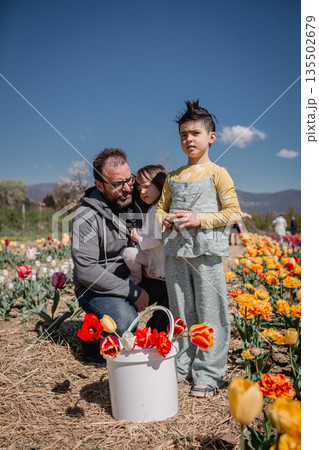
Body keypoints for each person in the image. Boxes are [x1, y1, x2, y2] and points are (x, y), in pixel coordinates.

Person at [156, 100, 241, 397]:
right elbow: (160, 208)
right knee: (181, 311)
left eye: (195, 133)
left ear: (211, 137)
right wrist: (162, 219)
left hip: (207, 255)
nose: (188, 139)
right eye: (183, 135)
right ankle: (181, 365)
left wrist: (199, 218)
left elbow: (233, 212)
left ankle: (208, 372)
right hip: (175, 254)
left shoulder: (219, 173)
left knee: (210, 312)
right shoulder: (173, 177)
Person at [71, 148, 170, 357]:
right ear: (99, 185)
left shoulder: (135, 198)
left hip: (135, 276)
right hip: (98, 288)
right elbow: (86, 270)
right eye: (117, 184)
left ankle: (155, 339)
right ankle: (93, 341)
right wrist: (132, 292)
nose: (127, 188)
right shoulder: (86, 216)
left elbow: (162, 191)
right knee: (125, 324)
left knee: (176, 288)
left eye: (129, 180)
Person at [123, 165, 167, 284]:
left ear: (159, 183)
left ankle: (135, 278)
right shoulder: (152, 207)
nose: (142, 192)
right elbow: (149, 230)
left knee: (128, 254)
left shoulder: (159, 210)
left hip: (158, 257)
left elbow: (158, 240)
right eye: (139, 189)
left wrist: (139, 239)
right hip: (152, 252)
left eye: (146, 186)